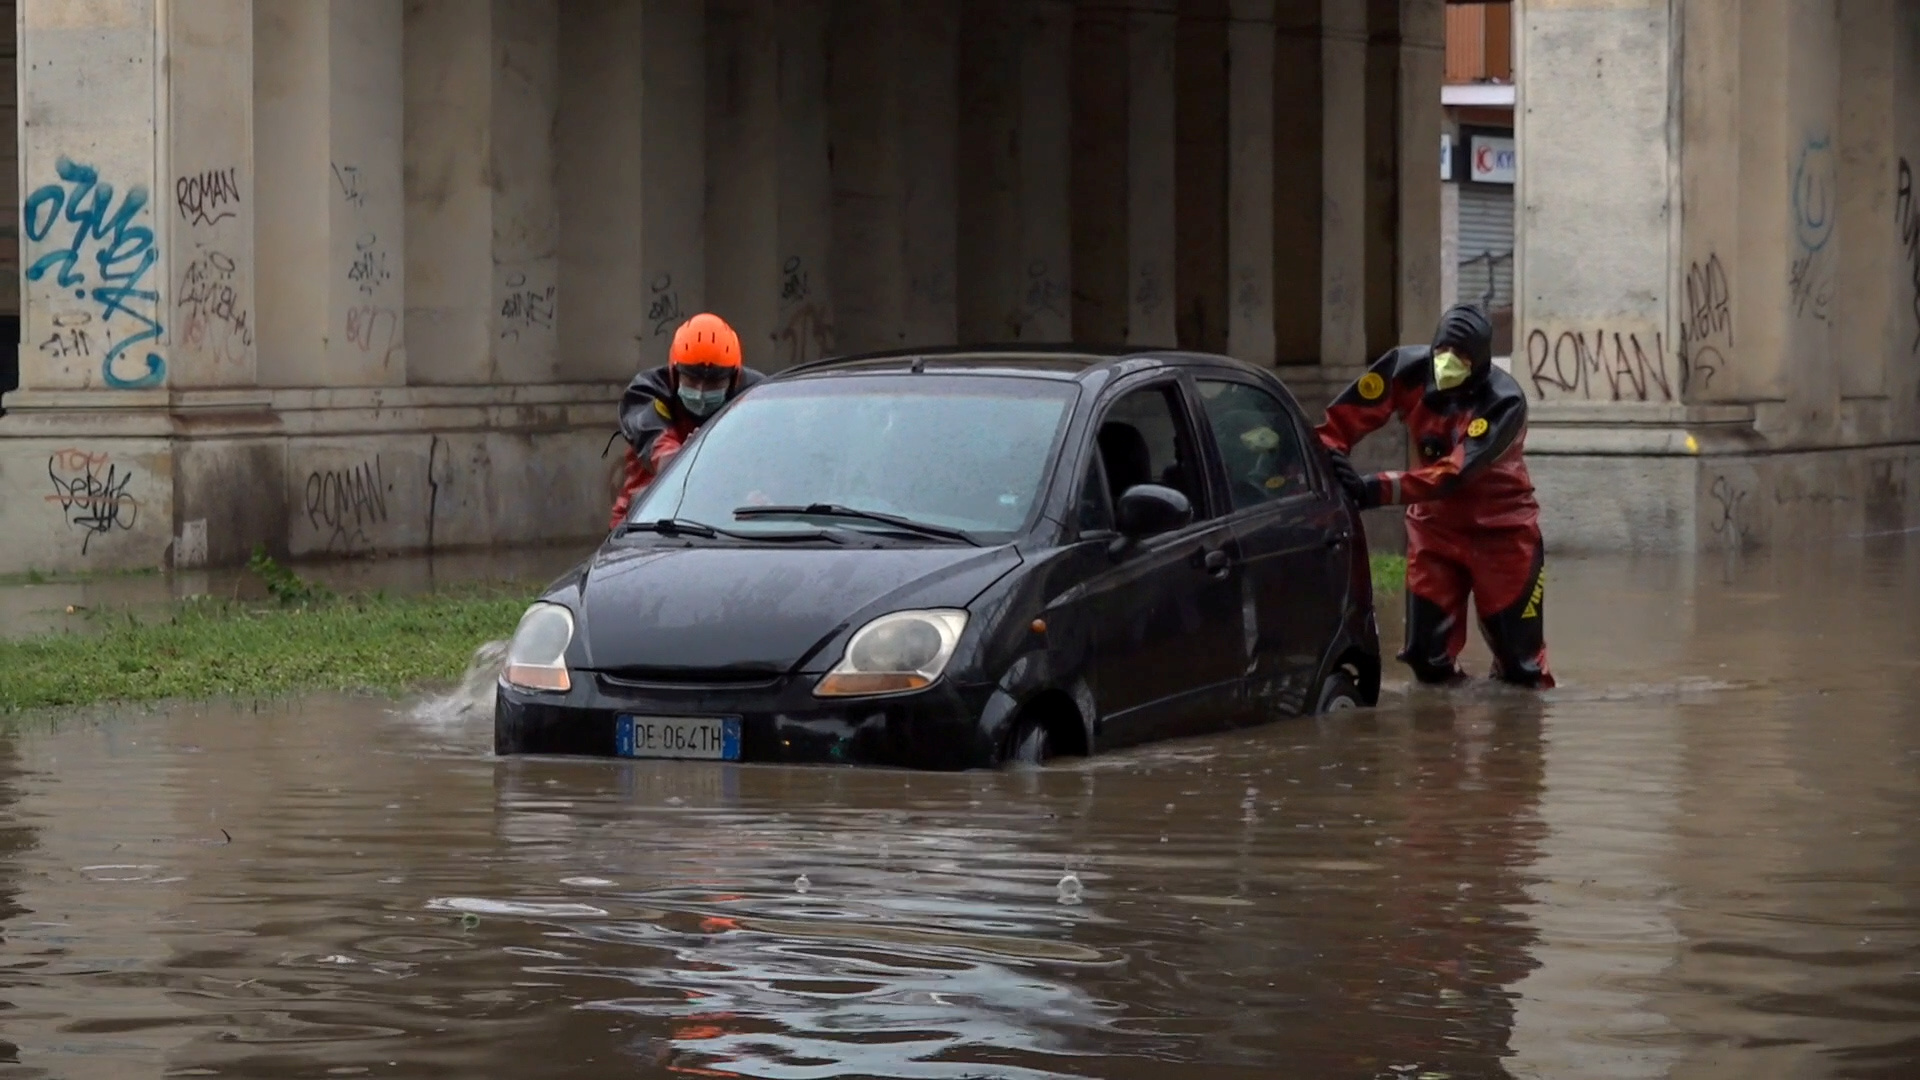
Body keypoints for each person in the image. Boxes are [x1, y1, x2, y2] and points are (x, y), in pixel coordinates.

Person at [1315, 303, 1554, 689]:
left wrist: (1371, 488)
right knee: (1426, 658)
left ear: (1479, 361)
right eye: (1442, 352)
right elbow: (1341, 419)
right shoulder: (1404, 370)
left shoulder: (1504, 402)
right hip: (1435, 531)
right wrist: (1325, 457)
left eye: (1460, 357)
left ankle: (1516, 741)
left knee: (1521, 668)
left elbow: (1453, 473)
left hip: (1504, 534)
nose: (1447, 363)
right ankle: (1442, 736)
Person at [609, 312, 765, 527]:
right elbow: (662, 455)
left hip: (731, 523)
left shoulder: (758, 397)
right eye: (691, 379)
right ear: (675, 372)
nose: (701, 391)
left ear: (733, 378)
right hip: (646, 525)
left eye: (714, 383)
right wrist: (695, 456)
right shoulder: (646, 393)